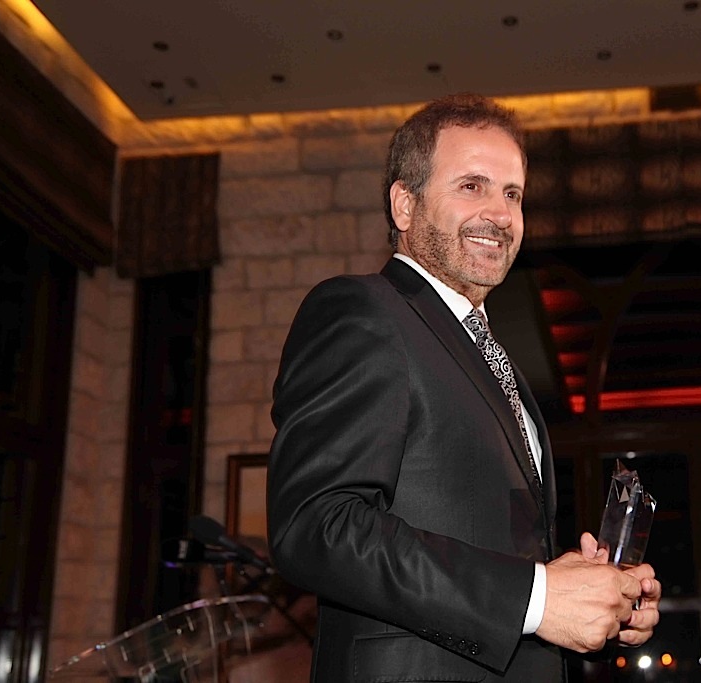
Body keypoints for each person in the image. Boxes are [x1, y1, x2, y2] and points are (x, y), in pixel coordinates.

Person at [267, 92, 661, 682]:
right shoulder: (363, 311)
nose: (499, 214)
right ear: (405, 205)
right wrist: (536, 596)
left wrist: (587, 599)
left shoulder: (497, 360)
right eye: (472, 186)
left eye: (513, 194)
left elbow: (497, 565)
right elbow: (317, 524)